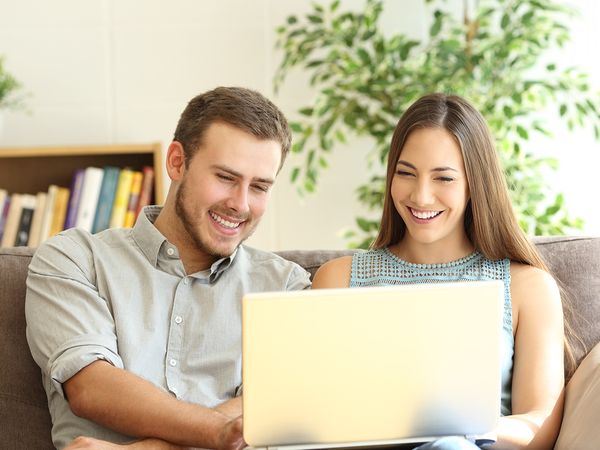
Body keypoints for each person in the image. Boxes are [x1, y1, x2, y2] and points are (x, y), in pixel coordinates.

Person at [25, 86, 311, 450]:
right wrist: (219, 433)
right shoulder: (74, 259)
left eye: (259, 186)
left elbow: (280, 404)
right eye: (225, 177)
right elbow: (91, 387)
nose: (240, 204)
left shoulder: (285, 287)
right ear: (177, 162)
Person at [312, 93, 566, 450]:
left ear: (474, 185)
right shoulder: (336, 280)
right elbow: (309, 413)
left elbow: (537, 427)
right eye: (406, 173)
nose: (422, 196)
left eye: (443, 178)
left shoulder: (527, 287)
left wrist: (451, 429)